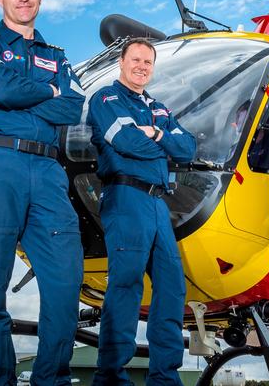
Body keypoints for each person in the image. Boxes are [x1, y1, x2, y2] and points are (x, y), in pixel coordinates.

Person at [0, 0, 85, 384]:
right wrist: (50, 91)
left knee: (65, 286)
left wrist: (29, 95)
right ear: (1, 0)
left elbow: (74, 107)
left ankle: (52, 378)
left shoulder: (58, 54)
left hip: (48, 171)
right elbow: (2, 91)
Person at [87, 38, 196, 385]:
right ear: (121, 61)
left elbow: (188, 147)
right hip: (125, 197)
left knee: (172, 287)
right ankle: (111, 376)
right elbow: (127, 143)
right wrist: (161, 143)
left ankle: (164, 377)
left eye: (148, 62)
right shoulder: (105, 98)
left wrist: (156, 133)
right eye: (135, 60)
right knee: (126, 285)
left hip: (156, 204)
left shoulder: (158, 108)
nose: (142, 67)